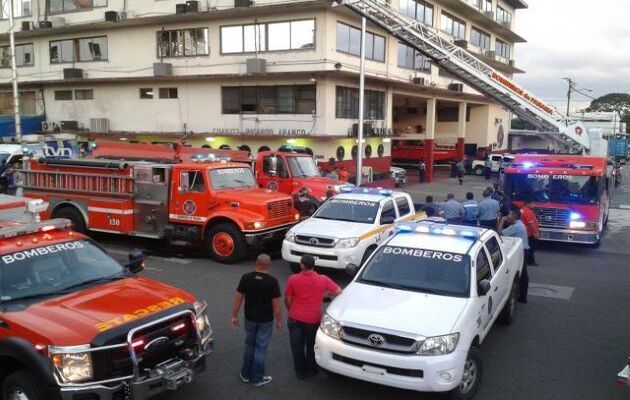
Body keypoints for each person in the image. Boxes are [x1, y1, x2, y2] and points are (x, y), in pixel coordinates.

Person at [285, 255, 342, 379]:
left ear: (302, 265)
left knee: (297, 347)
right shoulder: (323, 279)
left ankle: (300, 372)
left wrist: (290, 310)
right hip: (312, 320)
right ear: (313, 265)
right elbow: (338, 291)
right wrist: (323, 295)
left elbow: (288, 299)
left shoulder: (293, 279)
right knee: (311, 345)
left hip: (295, 318)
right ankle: (312, 369)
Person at [230, 254, 283, 387]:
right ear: (269, 265)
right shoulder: (272, 281)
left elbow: (238, 299)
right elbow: (276, 305)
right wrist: (279, 321)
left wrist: (234, 316)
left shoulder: (246, 278)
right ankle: (257, 378)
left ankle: (245, 374)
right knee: (260, 348)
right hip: (265, 320)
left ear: (256, 263)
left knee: (249, 345)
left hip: (250, 319)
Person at [498, 209, 529, 303]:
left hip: (522, 250)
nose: (508, 215)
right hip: (524, 249)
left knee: (522, 273)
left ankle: (522, 297)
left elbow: (499, 232)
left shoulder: (516, 226)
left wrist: (502, 220)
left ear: (514, 216)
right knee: (523, 273)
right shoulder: (519, 224)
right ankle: (522, 295)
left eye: (510, 214)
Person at [520, 202, 540, 266]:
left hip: (527, 233)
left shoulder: (523, 210)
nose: (535, 205)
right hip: (529, 233)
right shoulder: (527, 211)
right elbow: (531, 223)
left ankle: (528, 260)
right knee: (531, 248)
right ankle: (530, 261)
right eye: (533, 204)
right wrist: (536, 232)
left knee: (529, 247)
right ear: (528, 204)